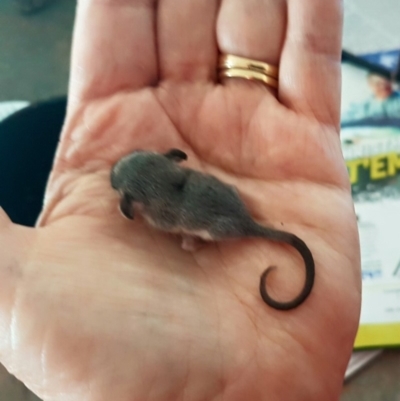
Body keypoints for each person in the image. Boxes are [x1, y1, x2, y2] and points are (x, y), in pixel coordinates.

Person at [0, 1, 361, 400]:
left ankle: (205, 235)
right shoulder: (175, 171)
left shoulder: (160, 215)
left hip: (217, 222)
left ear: (135, 201)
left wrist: (176, 231)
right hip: (221, 201)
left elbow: (173, 224)